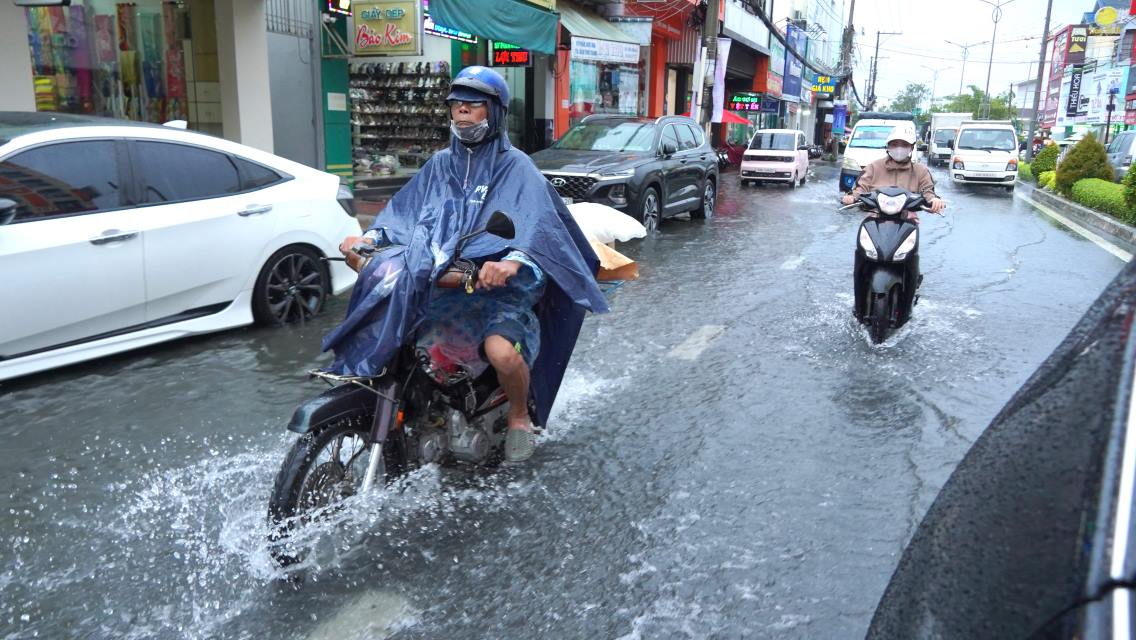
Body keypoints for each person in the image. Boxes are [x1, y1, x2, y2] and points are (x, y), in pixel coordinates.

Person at [327, 66, 608, 462]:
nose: (462, 112)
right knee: (397, 334)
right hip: (443, 286)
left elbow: (538, 229)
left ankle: (517, 415)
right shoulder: (440, 164)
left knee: (501, 352)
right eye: (457, 105)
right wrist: (368, 239)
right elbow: (402, 214)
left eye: (473, 106)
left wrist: (512, 261)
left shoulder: (518, 168)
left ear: (493, 112)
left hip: (498, 294)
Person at [841, 129, 946, 320]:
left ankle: (911, 285)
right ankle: (859, 294)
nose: (899, 148)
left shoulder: (920, 171)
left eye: (904, 145)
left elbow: (928, 191)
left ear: (911, 148)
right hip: (875, 218)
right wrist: (851, 197)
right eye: (895, 144)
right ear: (888, 147)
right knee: (862, 255)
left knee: (911, 255)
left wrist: (934, 200)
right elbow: (860, 187)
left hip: (906, 219)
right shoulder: (874, 167)